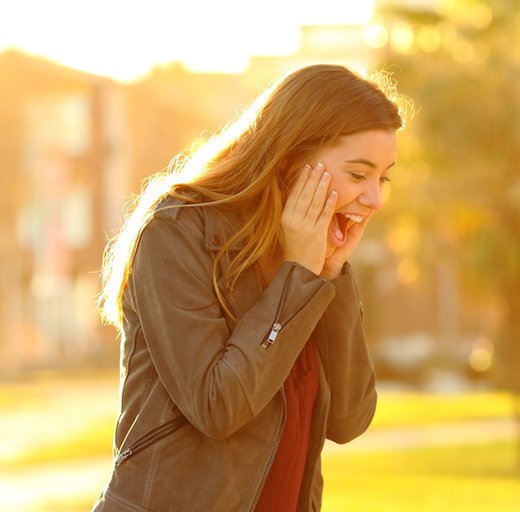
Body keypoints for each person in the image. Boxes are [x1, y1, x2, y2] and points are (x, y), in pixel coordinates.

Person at [93, 63, 406, 511]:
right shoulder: (177, 232)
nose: (375, 198)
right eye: (358, 174)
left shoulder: (311, 265)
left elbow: (349, 418)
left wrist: (331, 274)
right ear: (292, 155)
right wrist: (300, 274)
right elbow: (218, 406)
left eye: (383, 178)